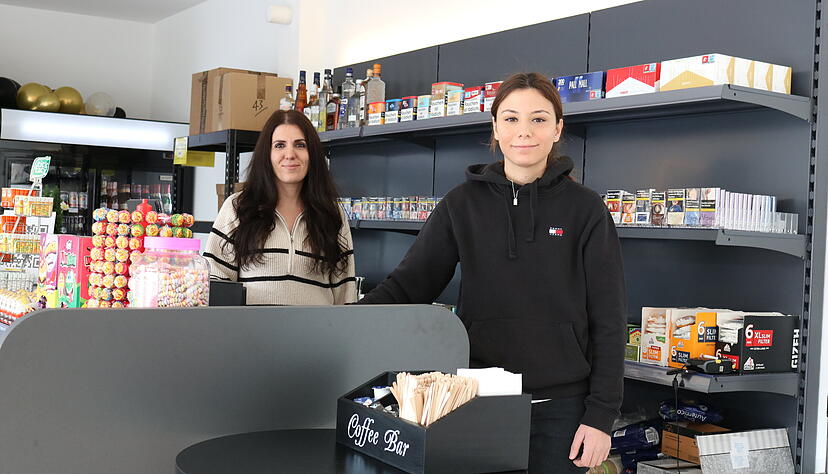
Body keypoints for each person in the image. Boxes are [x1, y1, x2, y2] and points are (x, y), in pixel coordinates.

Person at [358, 72, 626, 472]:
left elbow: (609, 318)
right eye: (511, 118)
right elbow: (407, 288)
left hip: (562, 412)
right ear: (496, 128)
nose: (524, 131)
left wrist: (601, 416)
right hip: (475, 400)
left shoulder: (586, 210)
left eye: (538, 119)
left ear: (557, 129)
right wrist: (343, 323)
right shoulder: (461, 205)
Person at [204, 109, 356, 305]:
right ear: (266, 154)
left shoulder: (332, 213)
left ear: (313, 154)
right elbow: (216, 282)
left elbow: (345, 295)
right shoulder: (237, 208)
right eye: (279, 145)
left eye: (300, 145)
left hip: (317, 326)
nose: (290, 154)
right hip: (250, 326)